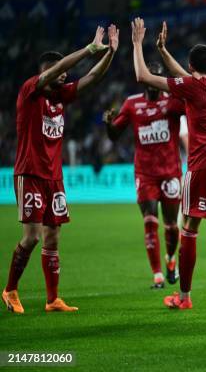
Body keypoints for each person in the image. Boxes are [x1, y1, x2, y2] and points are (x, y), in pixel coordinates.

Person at [131, 18, 206, 311]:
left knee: (190, 230)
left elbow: (143, 77)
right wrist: (162, 50)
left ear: (192, 67)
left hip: (204, 166)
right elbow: (188, 78)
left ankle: (183, 298)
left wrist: (137, 44)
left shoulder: (191, 88)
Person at [3, 25, 119, 314]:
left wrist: (111, 53)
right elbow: (63, 69)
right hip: (29, 173)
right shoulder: (31, 91)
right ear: (46, 72)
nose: (65, 74)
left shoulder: (60, 98)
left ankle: (52, 299)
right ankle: (10, 290)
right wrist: (89, 49)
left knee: (53, 236)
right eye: (58, 70)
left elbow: (92, 78)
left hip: (54, 177)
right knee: (31, 237)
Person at [103, 62, 185, 289]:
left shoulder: (173, 102)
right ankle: (157, 275)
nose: (153, 80)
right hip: (145, 173)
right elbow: (114, 136)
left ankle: (170, 260)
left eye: (157, 76)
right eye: (150, 75)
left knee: (170, 225)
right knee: (150, 221)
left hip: (170, 173)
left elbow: (194, 110)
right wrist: (109, 124)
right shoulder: (132, 103)